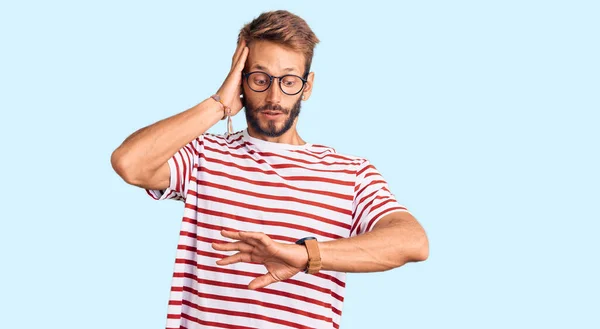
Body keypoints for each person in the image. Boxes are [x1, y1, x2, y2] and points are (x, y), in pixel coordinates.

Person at [111, 10, 428, 329]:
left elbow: (412, 242)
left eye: (289, 81)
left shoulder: (350, 174)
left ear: (307, 86)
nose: (274, 97)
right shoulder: (203, 156)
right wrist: (219, 104)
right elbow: (130, 163)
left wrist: (304, 255)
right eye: (260, 79)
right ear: (240, 80)